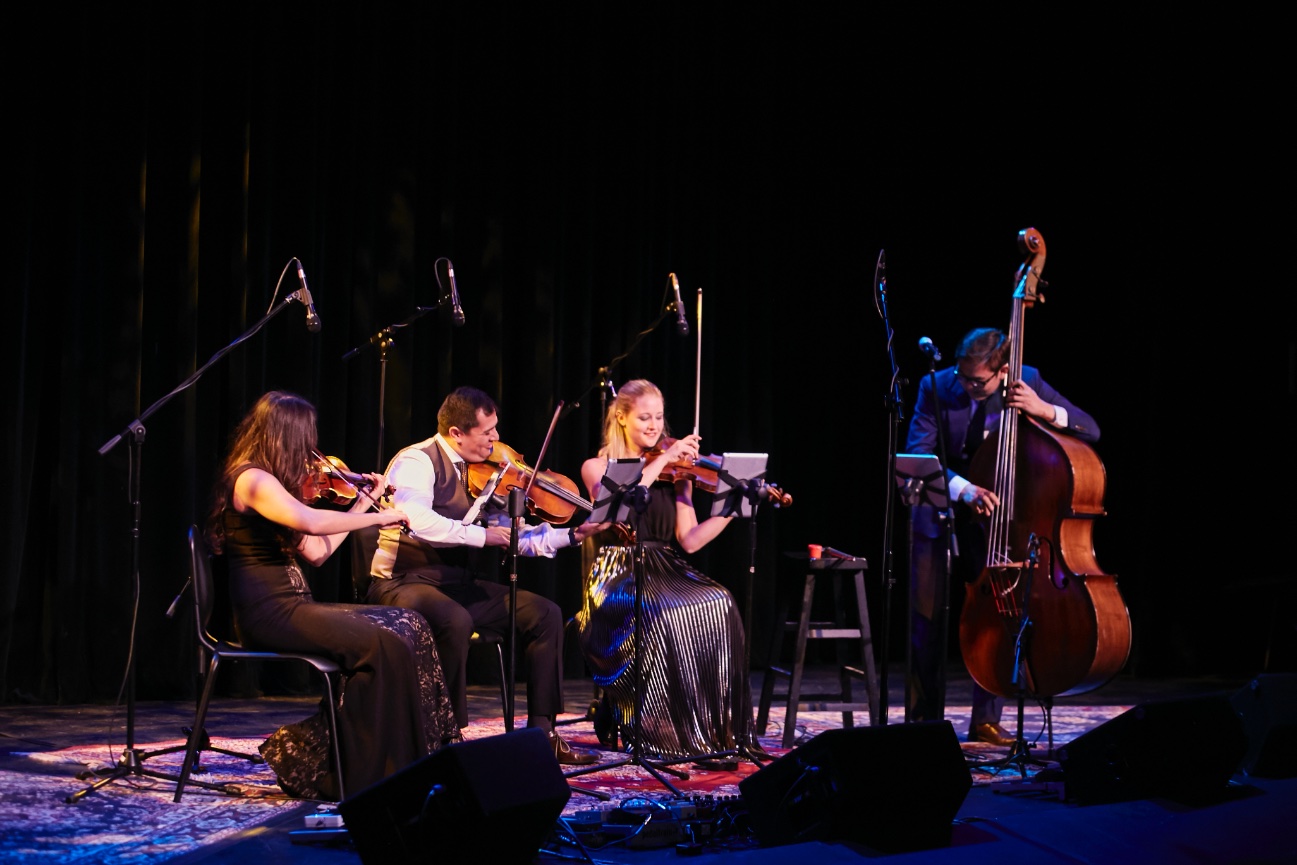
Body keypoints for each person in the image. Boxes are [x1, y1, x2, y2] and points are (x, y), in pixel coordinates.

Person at [205, 391, 460, 800]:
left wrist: (364, 502)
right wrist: (387, 514)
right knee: (382, 644)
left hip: (294, 605)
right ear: (286, 435)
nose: (311, 450)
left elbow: (317, 552)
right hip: (269, 612)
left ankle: (417, 757)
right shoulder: (252, 478)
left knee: (410, 623)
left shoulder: (275, 486)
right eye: (306, 438)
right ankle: (360, 775)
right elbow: (309, 520)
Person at [366, 386, 602, 765]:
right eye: (487, 432)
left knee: (546, 614)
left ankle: (543, 733)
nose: (496, 440)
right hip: (402, 582)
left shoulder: (488, 474)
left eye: (496, 430)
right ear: (456, 433)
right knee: (454, 620)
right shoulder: (417, 461)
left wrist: (573, 535)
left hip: (456, 584)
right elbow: (418, 520)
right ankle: (447, 735)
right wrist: (481, 535)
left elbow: (517, 538)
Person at [905, 327, 1100, 745]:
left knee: (999, 615)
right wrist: (963, 489)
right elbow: (918, 453)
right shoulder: (935, 386)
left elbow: (1090, 429)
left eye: (979, 381)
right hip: (942, 509)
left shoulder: (1027, 380)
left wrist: (1044, 410)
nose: (970, 386)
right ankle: (922, 720)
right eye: (964, 377)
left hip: (1001, 522)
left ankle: (985, 721)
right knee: (926, 619)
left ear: (1003, 371)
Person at [576, 378, 763, 762]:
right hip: (617, 573)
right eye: (644, 417)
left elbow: (690, 540)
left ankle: (710, 729)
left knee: (719, 600)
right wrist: (663, 458)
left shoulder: (677, 472)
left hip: (666, 568)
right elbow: (621, 504)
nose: (654, 426)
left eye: (659, 417)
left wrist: (731, 508)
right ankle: (654, 729)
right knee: (665, 614)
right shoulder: (597, 466)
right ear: (621, 418)